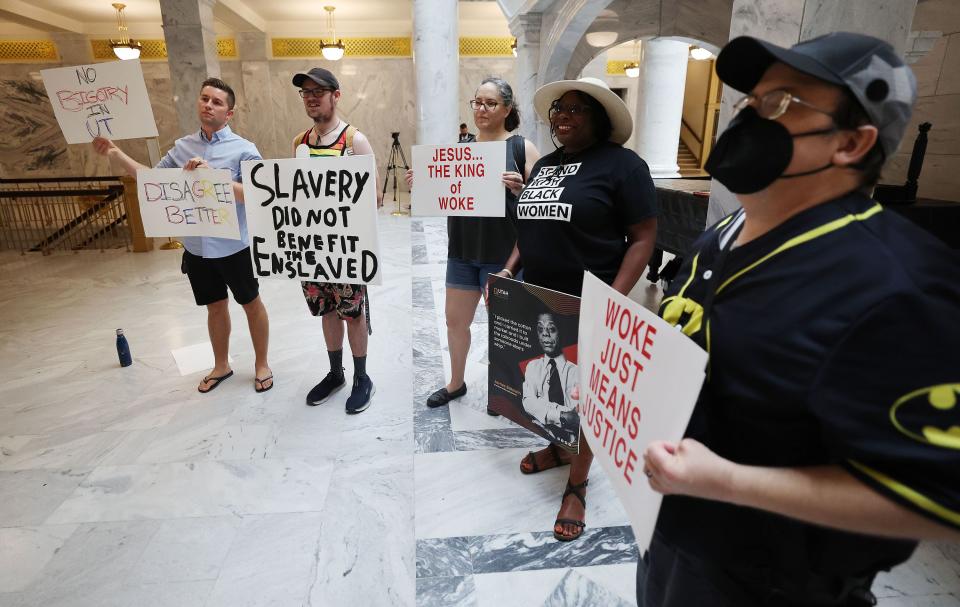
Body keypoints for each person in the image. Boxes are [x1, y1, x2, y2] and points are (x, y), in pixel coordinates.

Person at [640, 32, 960, 606]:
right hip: (674, 541)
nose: (744, 121)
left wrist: (726, 482)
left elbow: (939, 494)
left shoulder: (899, 287)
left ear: (851, 143)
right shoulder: (724, 234)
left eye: (780, 104)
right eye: (750, 103)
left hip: (774, 583)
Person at [500, 77, 658, 541]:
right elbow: (531, 229)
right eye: (558, 111)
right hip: (539, 298)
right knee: (550, 386)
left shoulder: (624, 166)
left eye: (575, 110)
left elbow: (644, 237)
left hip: (591, 301)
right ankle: (556, 445)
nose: (563, 118)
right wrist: (510, 272)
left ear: (600, 119)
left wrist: (613, 297)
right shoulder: (547, 165)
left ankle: (578, 484)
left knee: (587, 397)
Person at [92, 77, 272, 394]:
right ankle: (221, 365)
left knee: (251, 304)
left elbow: (257, 194)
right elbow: (152, 180)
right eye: (204, 98)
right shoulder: (182, 147)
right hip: (197, 248)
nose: (208, 105)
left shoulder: (244, 149)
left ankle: (261, 364)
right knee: (215, 307)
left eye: (217, 102)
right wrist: (117, 154)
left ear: (229, 113)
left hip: (233, 247)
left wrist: (212, 179)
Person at [407, 77, 541, 412]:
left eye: (490, 103)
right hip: (463, 251)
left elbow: (541, 206)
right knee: (455, 322)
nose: (481, 109)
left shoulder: (522, 148)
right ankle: (456, 382)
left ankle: (506, 388)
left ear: (507, 109)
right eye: (477, 102)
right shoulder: (460, 150)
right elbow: (445, 193)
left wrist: (520, 190)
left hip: (504, 256)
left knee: (505, 328)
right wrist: (424, 182)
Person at [293, 67, 382, 415]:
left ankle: (362, 378)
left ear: (336, 95)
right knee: (326, 310)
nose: (312, 97)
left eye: (319, 91)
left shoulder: (354, 140)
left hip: (347, 247)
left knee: (352, 312)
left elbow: (374, 196)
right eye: (306, 92)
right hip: (312, 248)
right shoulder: (300, 142)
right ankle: (335, 373)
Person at [521, 312, 578, 445]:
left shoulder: (576, 372)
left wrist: (540, 403)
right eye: (540, 329)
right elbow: (528, 402)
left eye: (551, 329)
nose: (545, 334)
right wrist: (561, 415)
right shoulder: (533, 366)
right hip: (539, 436)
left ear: (561, 332)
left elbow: (575, 418)